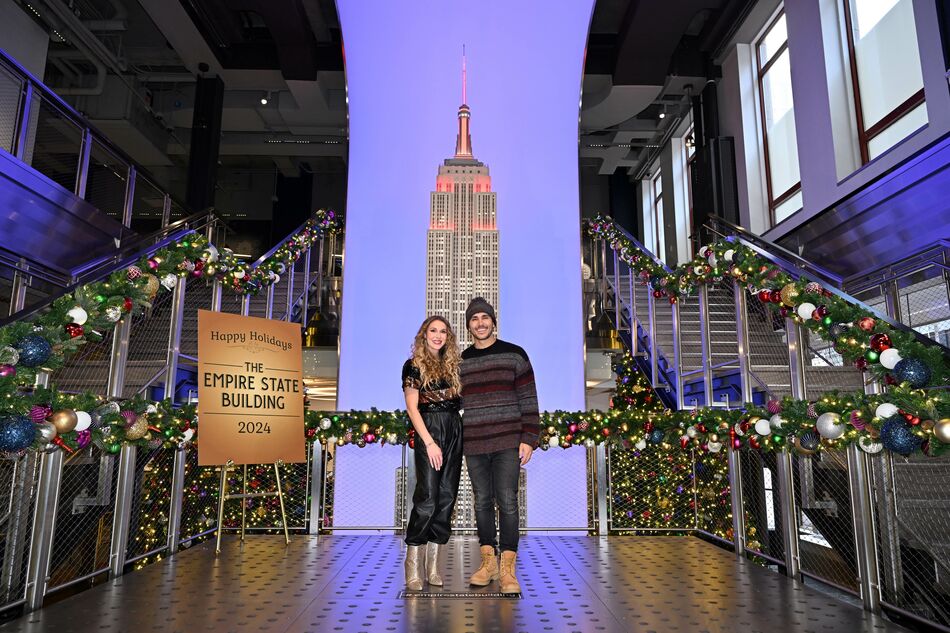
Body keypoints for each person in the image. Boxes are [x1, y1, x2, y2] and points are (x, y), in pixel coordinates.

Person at [460, 297, 539, 594]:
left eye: (485, 317)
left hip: (508, 440)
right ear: (469, 325)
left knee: (506, 501)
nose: (480, 322)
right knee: (481, 502)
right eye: (474, 318)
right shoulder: (462, 361)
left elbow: (529, 399)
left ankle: (508, 570)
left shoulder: (515, 355)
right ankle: (488, 564)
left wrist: (529, 437)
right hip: (475, 442)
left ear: (493, 321)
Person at [402, 316, 464, 591]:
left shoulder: (453, 366)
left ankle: (433, 565)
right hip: (430, 431)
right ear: (423, 335)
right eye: (433, 331)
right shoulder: (413, 365)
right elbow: (413, 409)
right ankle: (412, 563)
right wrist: (429, 442)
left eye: (443, 331)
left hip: (454, 430)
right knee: (427, 496)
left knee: (447, 496)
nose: (438, 335)